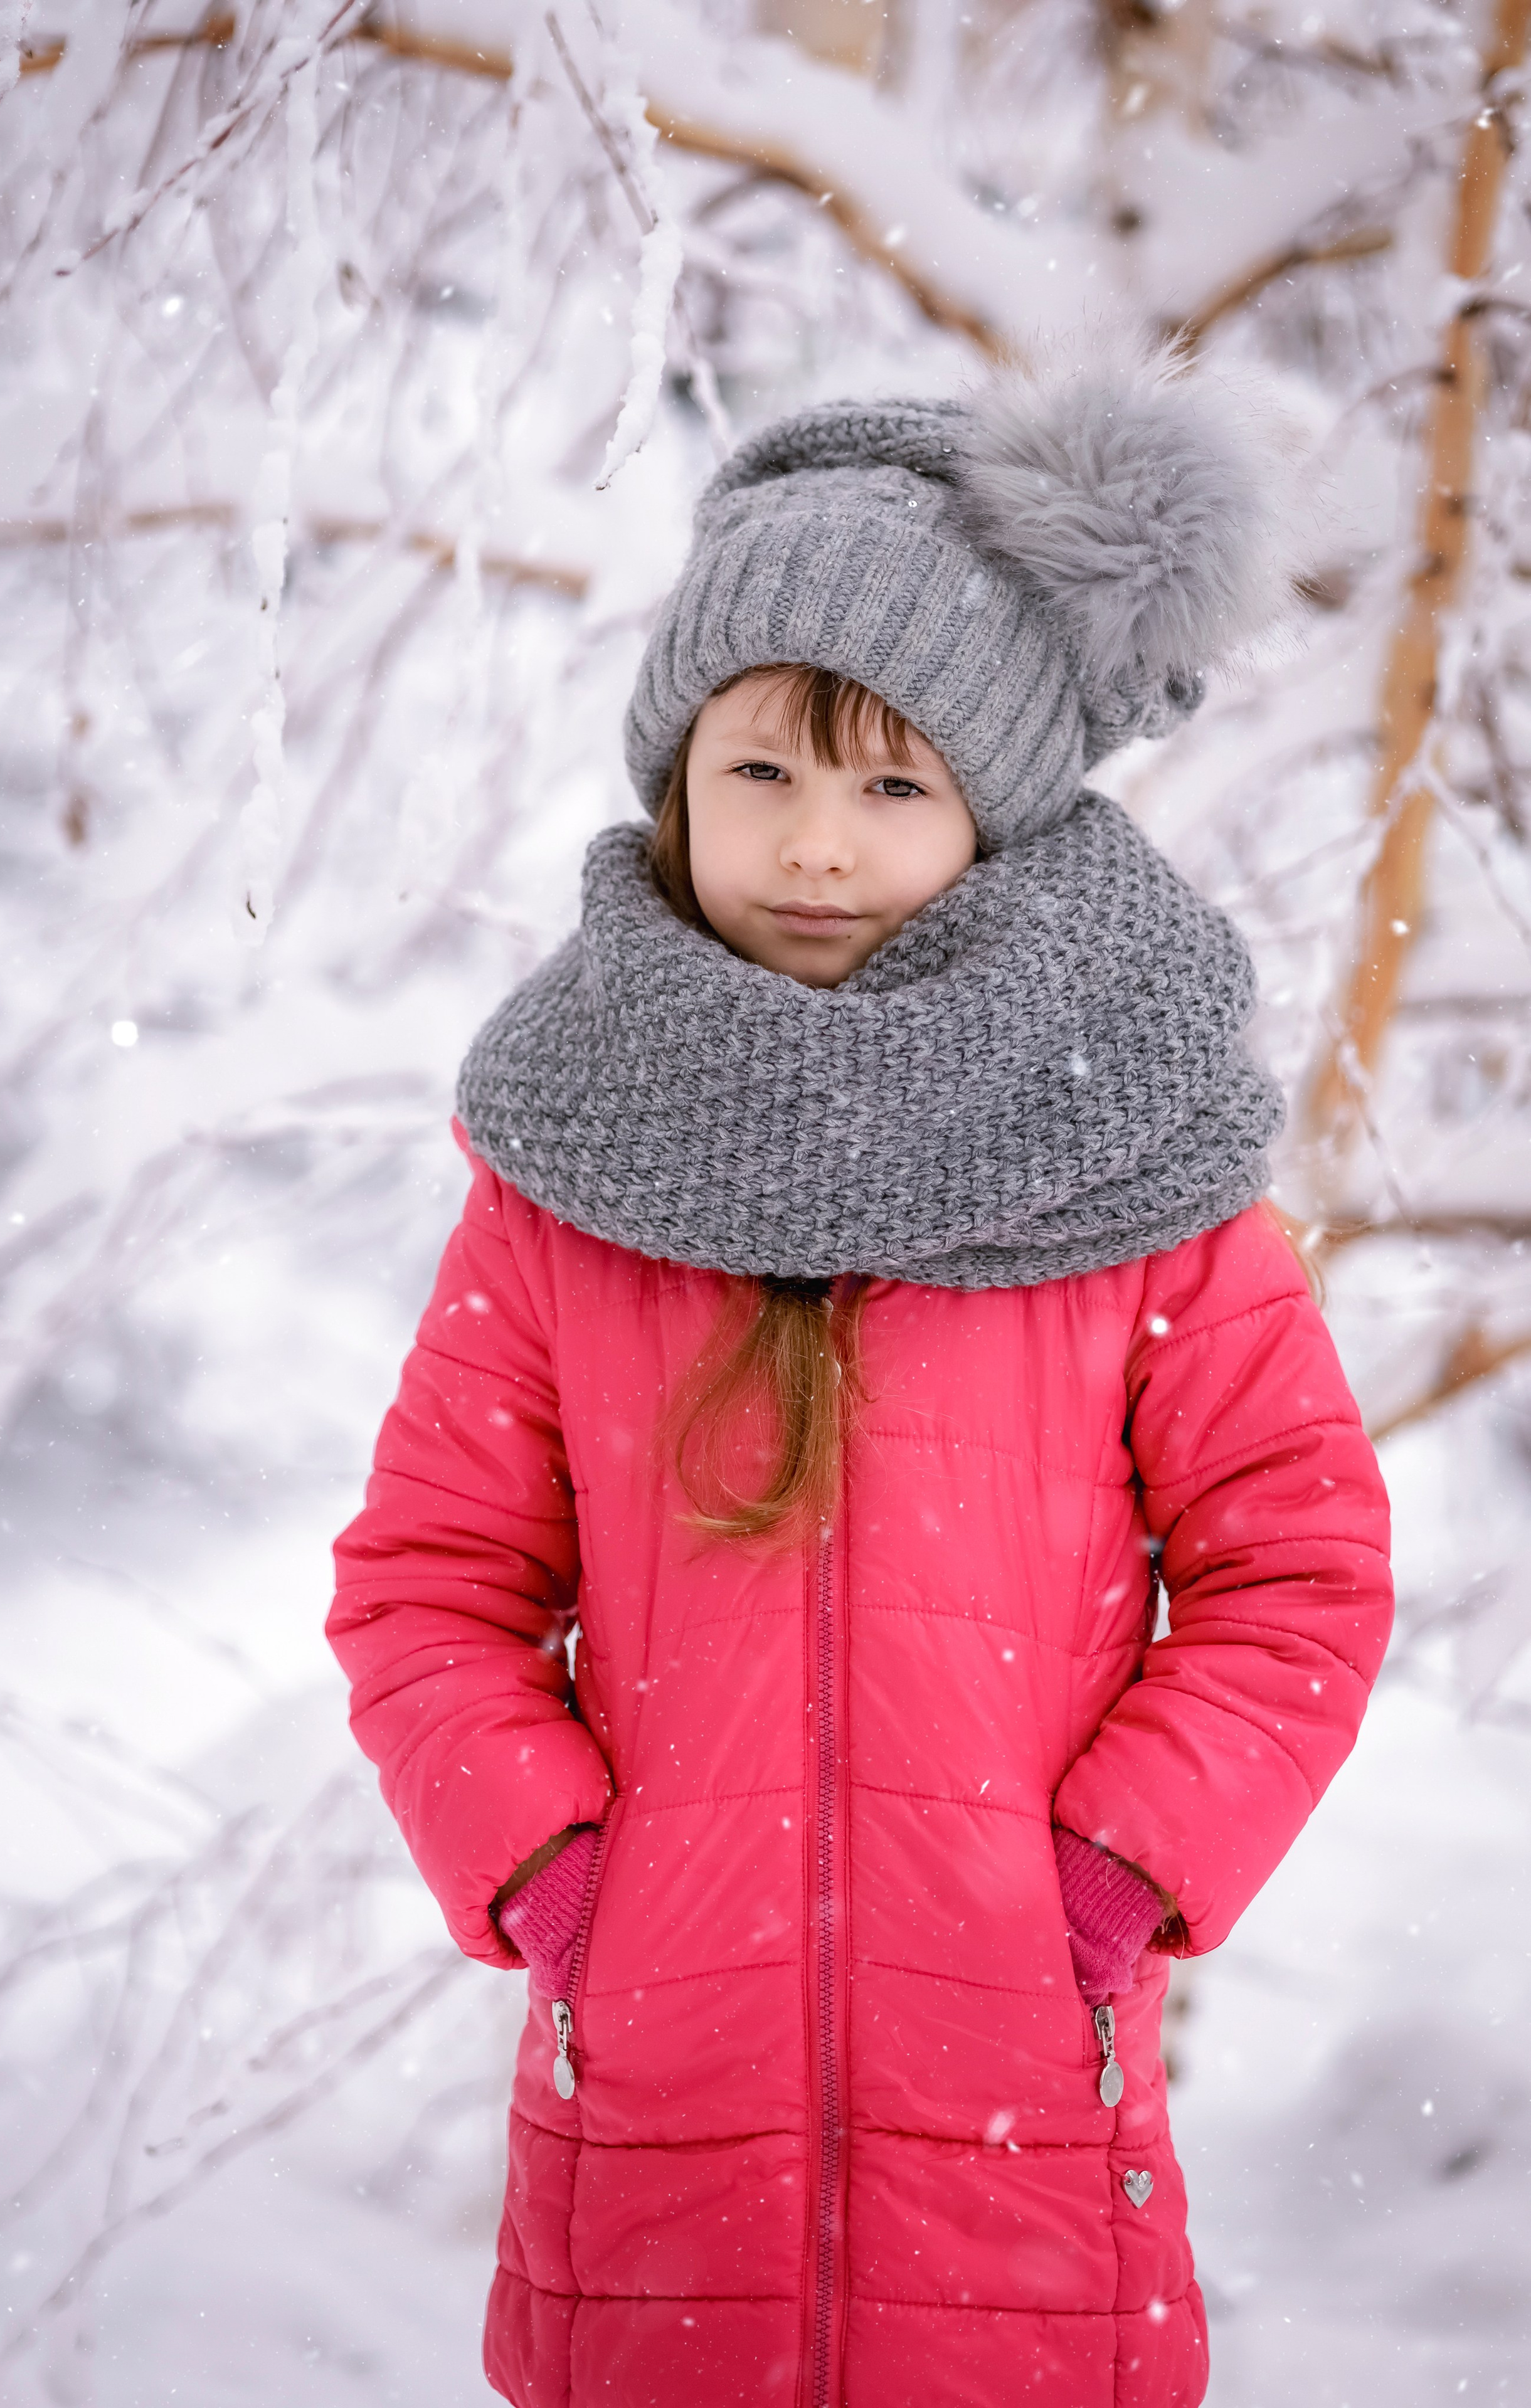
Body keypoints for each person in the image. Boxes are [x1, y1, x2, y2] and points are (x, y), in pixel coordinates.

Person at [328, 345, 1394, 2408]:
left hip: (1021, 2079)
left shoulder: (1139, 1164)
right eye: (765, 771)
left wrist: (1116, 1874)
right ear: (676, 777)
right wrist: (559, 1878)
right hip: (657, 2108)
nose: (818, 844)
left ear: (990, 815)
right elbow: (428, 1587)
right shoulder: (575, 1166)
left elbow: (1300, 1571)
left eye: (894, 784)